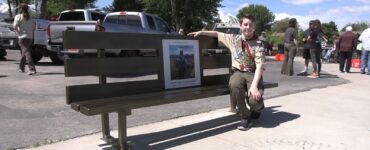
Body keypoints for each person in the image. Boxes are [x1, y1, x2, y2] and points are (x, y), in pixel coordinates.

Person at [188, 14, 265, 131]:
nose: (247, 27)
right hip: (238, 72)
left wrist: (254, 86)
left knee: (255, 100)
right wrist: (201, 32)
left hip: (252, 73)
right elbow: (217, 34)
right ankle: (245, 116)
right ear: (240, 26)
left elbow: (260, 66)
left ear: (254, 27)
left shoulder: (258, 44)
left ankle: (257, 108)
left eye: (250, 25)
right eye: (245, 24)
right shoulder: (233, 39)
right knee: (234, 85)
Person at [13, 3, 36, 75]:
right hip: (30, 38)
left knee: (26, 52)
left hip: (22, 37)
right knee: (25, 52)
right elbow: (34, 28)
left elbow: (14, 26)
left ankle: (32, 69)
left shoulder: (18, 16)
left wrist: (18, 31)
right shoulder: (30, 17)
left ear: (20, 9)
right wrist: (30, 33)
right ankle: (21, 68)